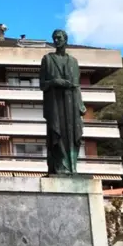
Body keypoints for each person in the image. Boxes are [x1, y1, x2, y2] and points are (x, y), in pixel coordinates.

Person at [39, 29, 85, 175]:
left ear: (65, 39)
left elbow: (76, 85)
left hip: (71, 101)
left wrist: (80, 105)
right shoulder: (47, 59)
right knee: (56, 133)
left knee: (72, 134)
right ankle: (60, 166)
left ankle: (72, 167)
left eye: (59, 38)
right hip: (55, 103)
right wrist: (54, 81)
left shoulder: (73, 61)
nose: (56, 40)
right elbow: (42, 85)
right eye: (54, 38)